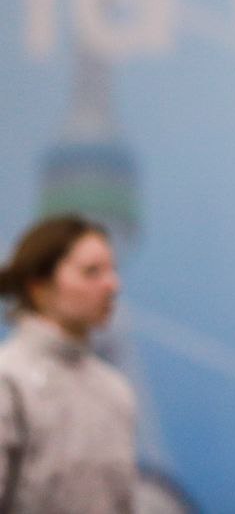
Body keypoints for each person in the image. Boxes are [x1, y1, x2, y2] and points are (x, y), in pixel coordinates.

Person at [0, 214, 137, 512]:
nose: (112, 285)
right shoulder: (8, 379)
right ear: (38, 286)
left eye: (112, 270)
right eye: (91, 272)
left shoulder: (115, 390)